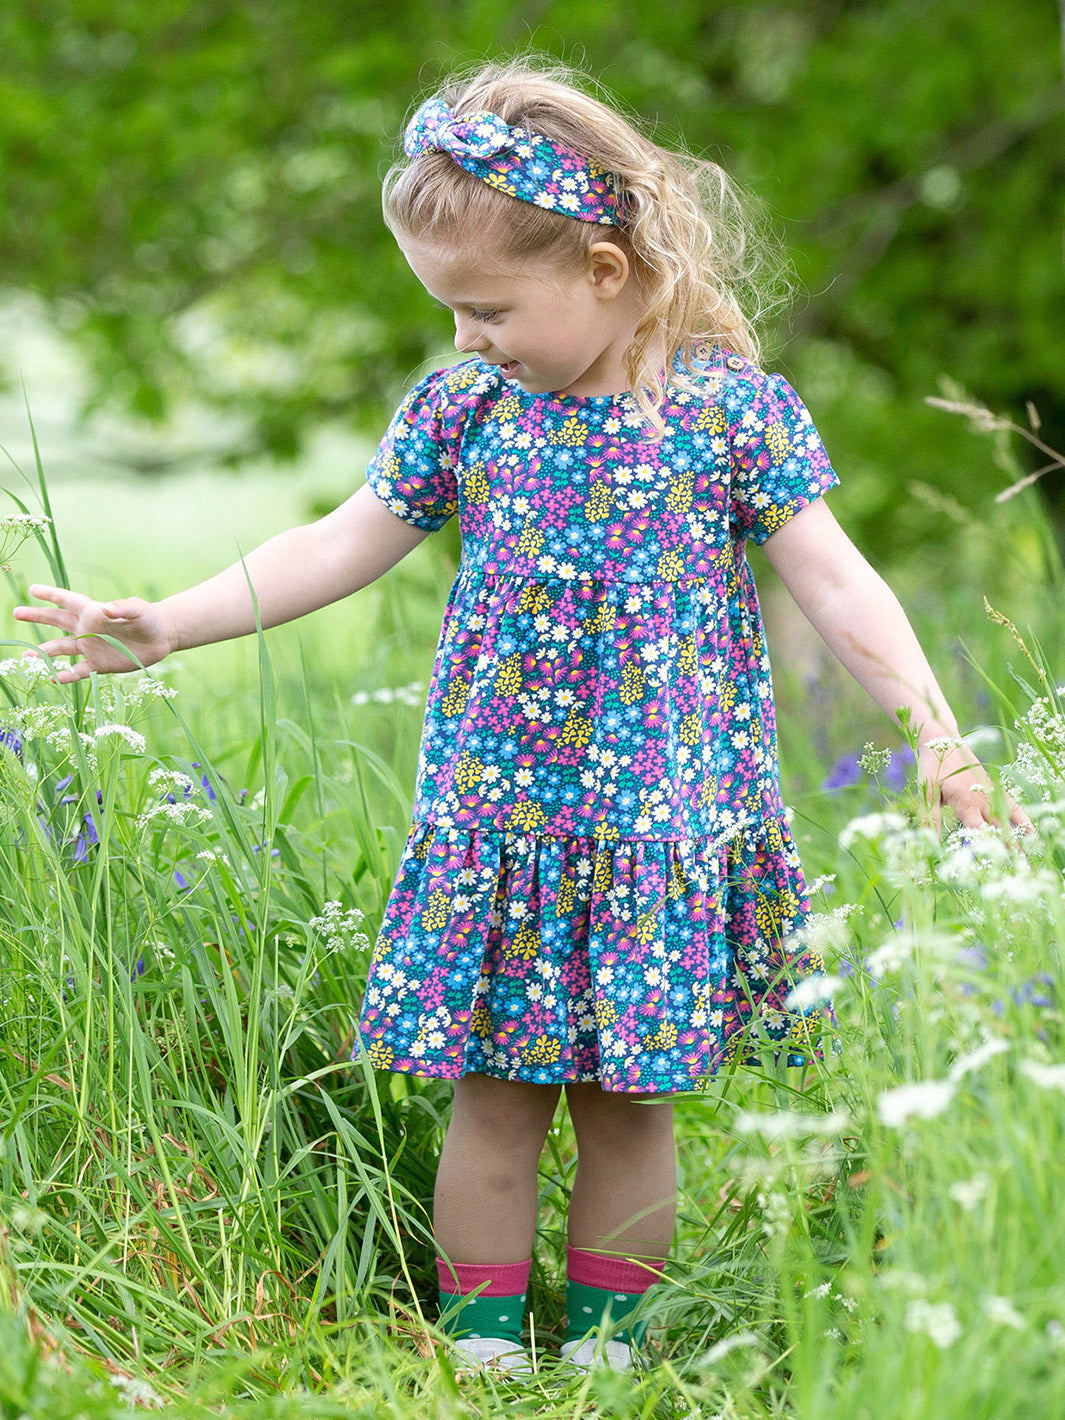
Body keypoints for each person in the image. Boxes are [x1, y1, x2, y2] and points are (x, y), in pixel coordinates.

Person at [14, 59, 1030, 1376]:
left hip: (663, 823)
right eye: (449, 310)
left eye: (486, 307)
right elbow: (339, 541)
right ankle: (482, 1354)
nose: (464, 337)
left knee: (628, 1110)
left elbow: (839, 584)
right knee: (492, 1105)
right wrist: (173, 623)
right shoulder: (464, 411)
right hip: (502, 820)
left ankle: (607, 1356)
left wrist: (940, 747)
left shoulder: (728, 415)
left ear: (604, 270)